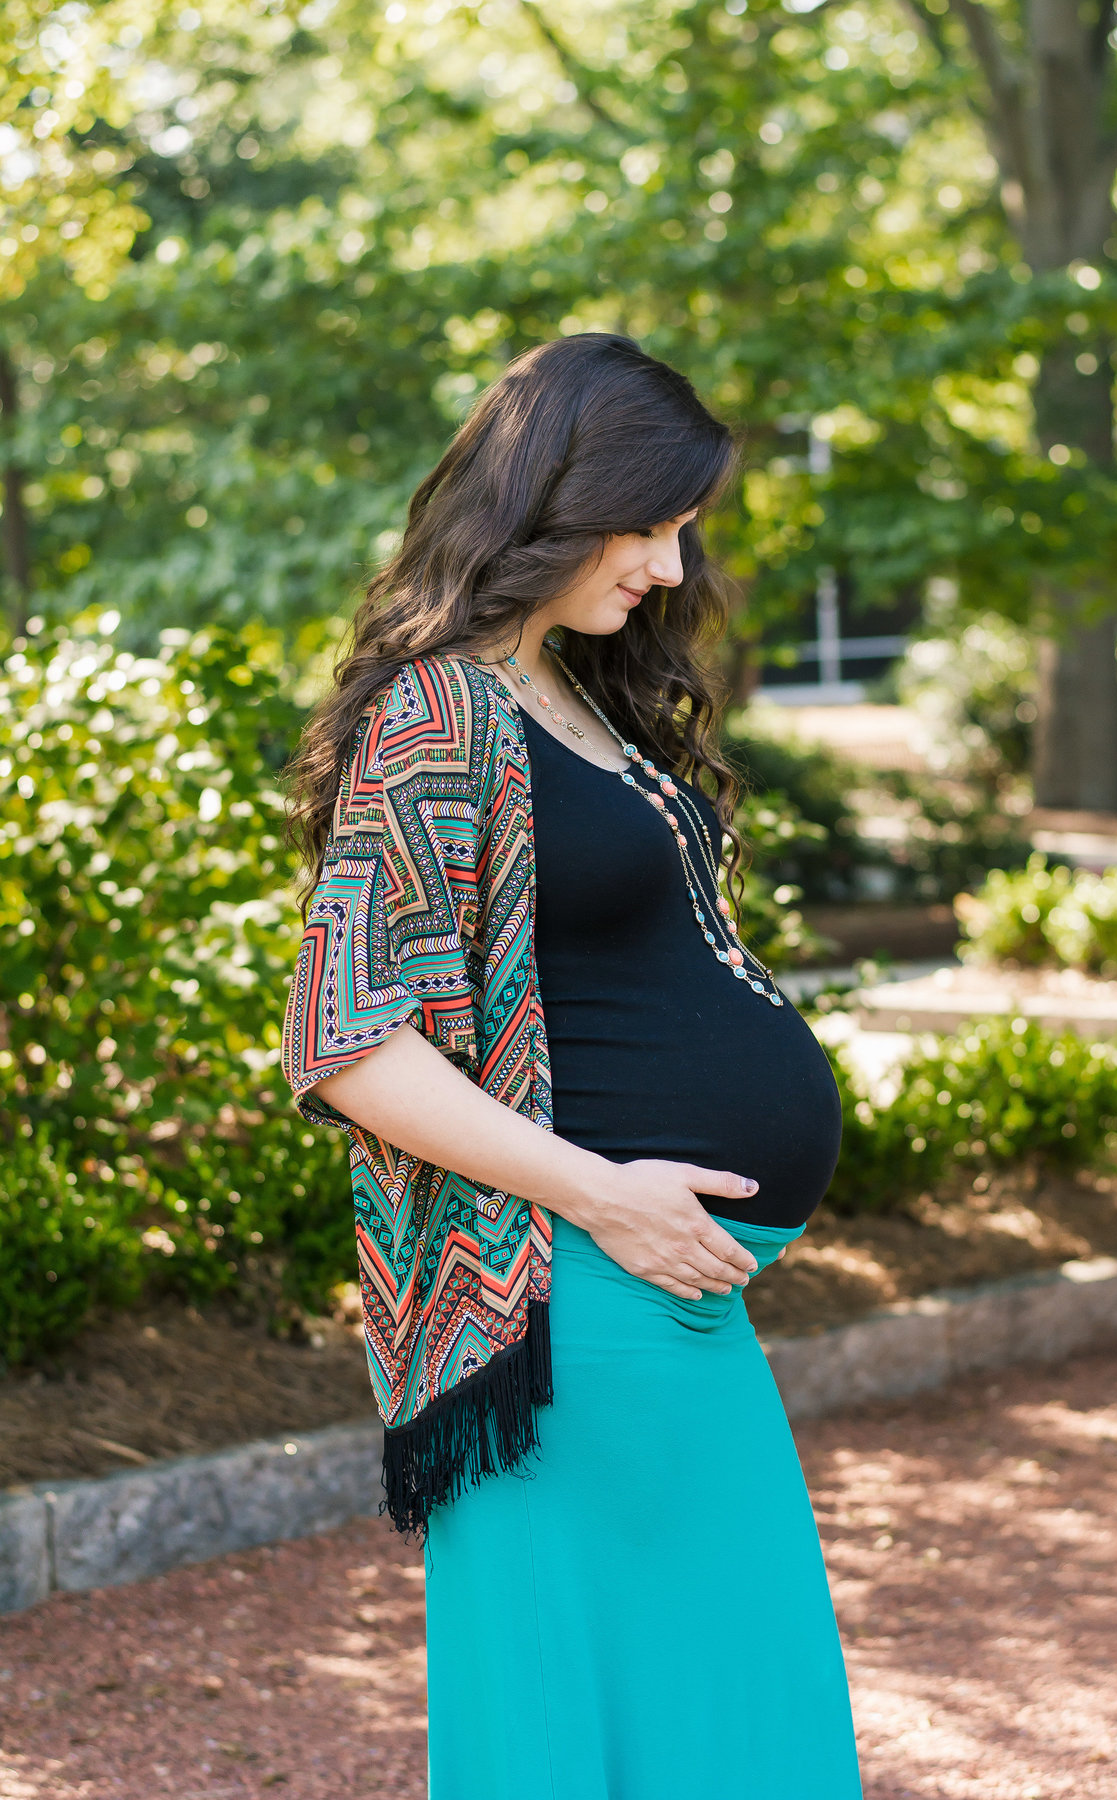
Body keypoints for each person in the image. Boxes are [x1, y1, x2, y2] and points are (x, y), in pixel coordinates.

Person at [281, 333, 862, 1799]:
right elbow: (351, 1041)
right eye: (649, 524)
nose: (671, 568)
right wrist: (602, 1195)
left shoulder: (574, 693)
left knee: (738, 1715)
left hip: (645, 1298)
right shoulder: (438, 709)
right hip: (568, 1300)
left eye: (683, 531)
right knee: (598, 1729)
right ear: (554, 498)